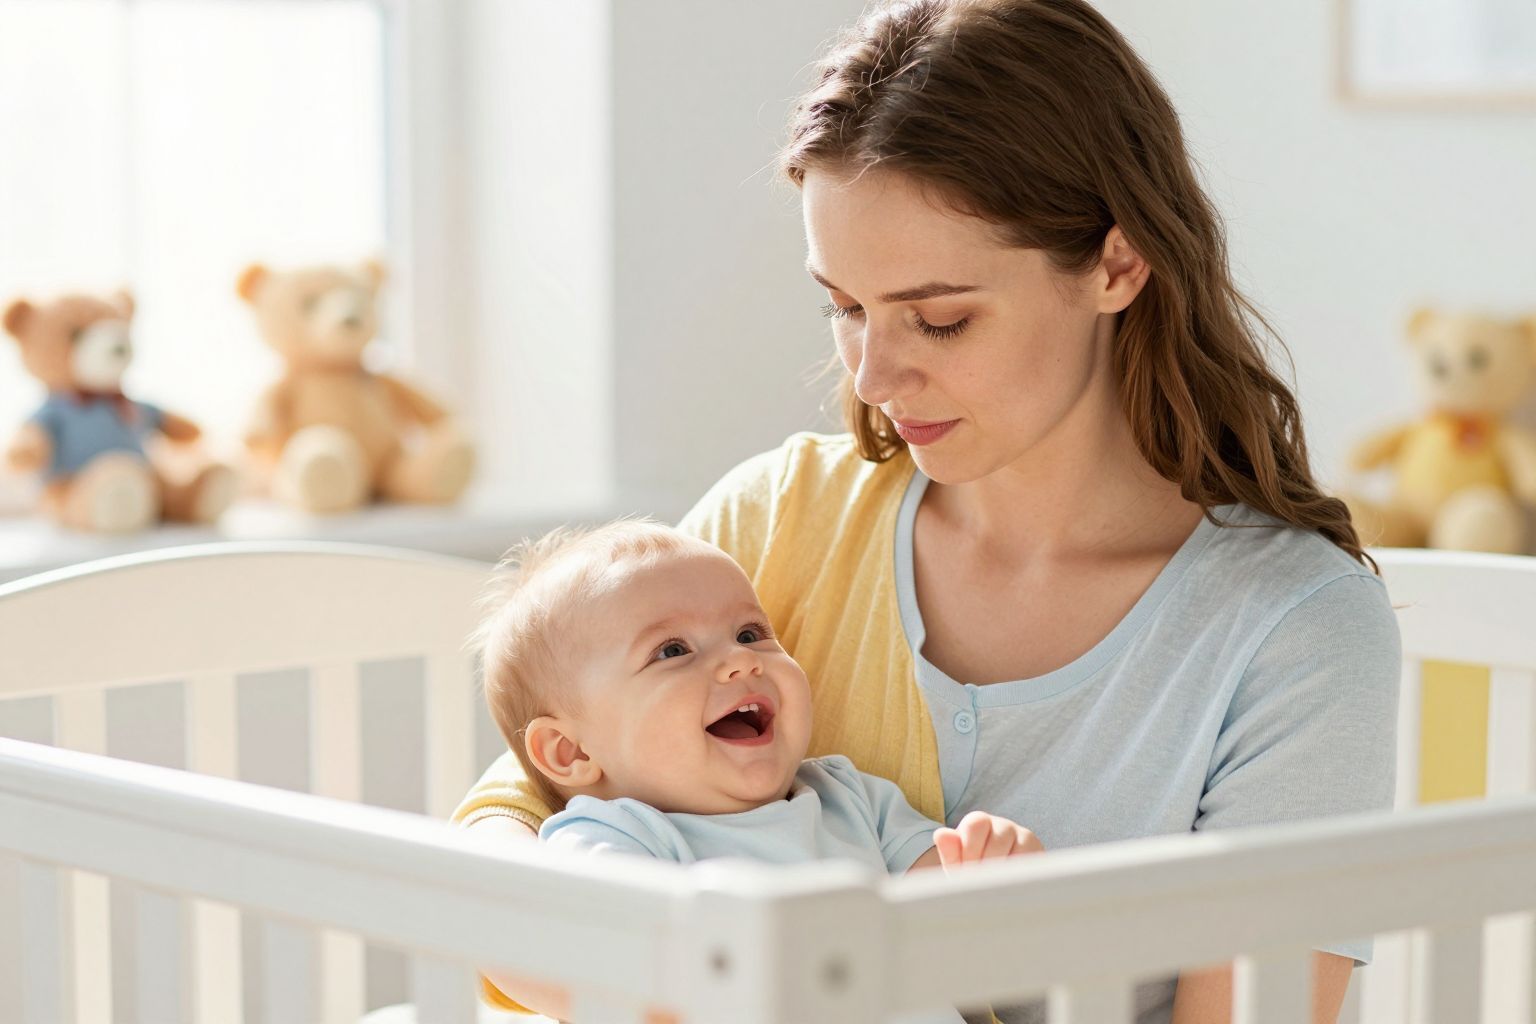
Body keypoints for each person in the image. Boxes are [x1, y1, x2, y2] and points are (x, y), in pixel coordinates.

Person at [456, 2, 1401, 1021]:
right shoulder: (775, 522)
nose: (871, 375)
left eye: (940, 318)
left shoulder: (1294, 630)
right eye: (845, 307)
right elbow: (517, 814)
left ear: (1117, 265)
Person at [472, 518, 1038, 1022]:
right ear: (570, 752)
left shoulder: (848, 796)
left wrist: (989, 872)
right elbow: (575, 959)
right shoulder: (618, 839)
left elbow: (943, 906)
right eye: (672, 651)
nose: (740, 659)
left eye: (750, 634)